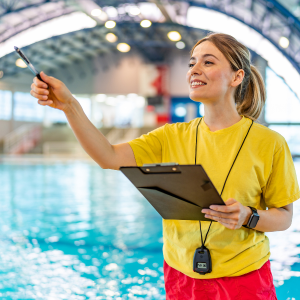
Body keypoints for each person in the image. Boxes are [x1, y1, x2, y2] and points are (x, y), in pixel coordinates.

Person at [30, 33, 300, 300]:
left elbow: (284, 217)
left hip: (244, 277)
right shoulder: (170, 135)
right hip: (180, 274)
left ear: (236, 77)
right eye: (191, 63)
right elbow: (108, 156)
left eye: (208, 62)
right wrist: (70, 106)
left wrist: (248, 216)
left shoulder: (269, 142)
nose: (194, 69)